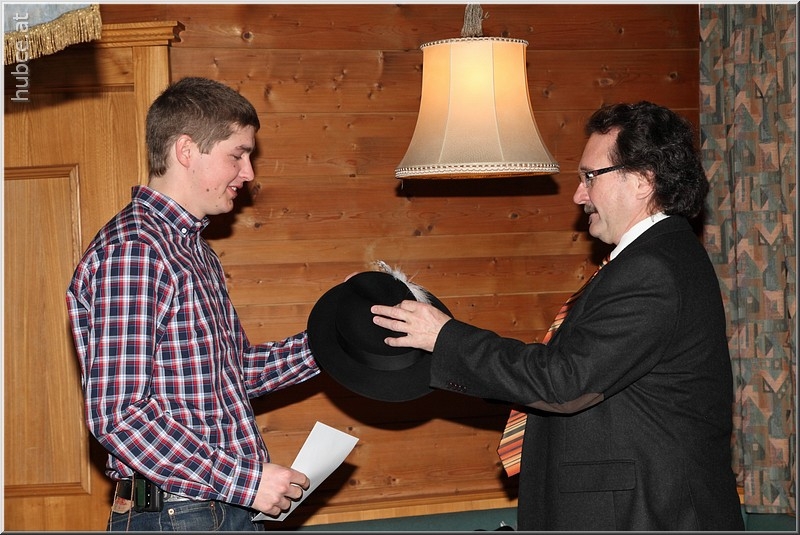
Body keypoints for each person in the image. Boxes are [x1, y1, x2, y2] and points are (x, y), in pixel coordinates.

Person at [372, 101, 745, 531]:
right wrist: (440, 344)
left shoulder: (652, 268)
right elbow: (562, 376)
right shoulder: (656, 258)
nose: (578, 195)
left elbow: (564, 383)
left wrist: (446, 337)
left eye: (590, 177)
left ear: (643, 181)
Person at [66, 77, 320, 531]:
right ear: (186, 150)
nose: (248, 173)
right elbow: (119, 415)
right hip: (181, 512)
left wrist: (337, 338)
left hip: (212, 507)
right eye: (237, 155)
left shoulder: (192, 250)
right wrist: (246, 481)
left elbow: (234, 373)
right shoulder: (137, 250)